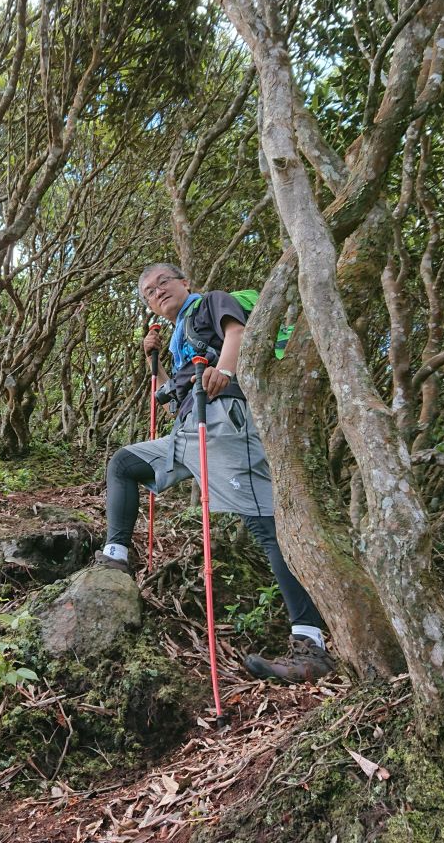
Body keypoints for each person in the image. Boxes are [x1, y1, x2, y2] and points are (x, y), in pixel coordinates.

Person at [94, 262, 335, 684]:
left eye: (162, 283)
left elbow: (238, 333)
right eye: (148, 292)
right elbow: (173, 400)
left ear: (184, 282)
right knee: (123, 463)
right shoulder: (176, 339)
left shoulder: (210, 302)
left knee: (266, 526)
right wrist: (156, 361)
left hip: (225, 423)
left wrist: (224, 371)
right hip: (188, 429)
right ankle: (115, 558)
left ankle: (310, 643)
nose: (157, 292)